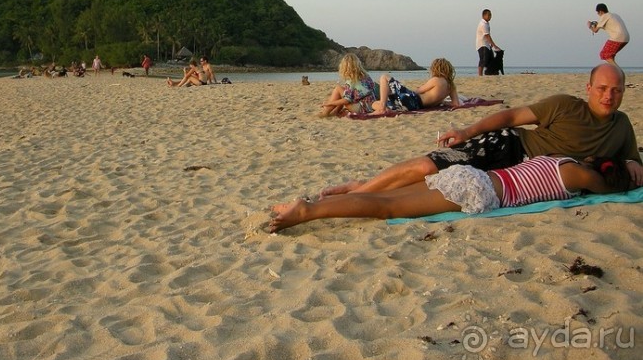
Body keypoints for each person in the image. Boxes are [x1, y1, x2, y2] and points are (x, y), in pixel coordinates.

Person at [317, 63, 642, 198]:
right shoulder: (565, 105)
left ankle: (364, 186)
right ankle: (360, 192)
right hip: (510, 147)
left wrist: (632, 163)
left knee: (433, 187)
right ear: (589, 88)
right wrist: (466, 132)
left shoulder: (622, 126)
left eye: (616, 91)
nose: (608, 96)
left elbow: (633, 162)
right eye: (601, 88)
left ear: (624, 92)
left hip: (531, 177)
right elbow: (510, 117)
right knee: (427, 166)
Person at [269, 155, 634, 232]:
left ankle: (314, 206)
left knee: (387, 202)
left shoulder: (563, 161)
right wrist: (630, 181)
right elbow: (610, 190)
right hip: (479, 189)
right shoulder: (577, 173)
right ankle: (307, 211)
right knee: (385, 206)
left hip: (471, 177)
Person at [371, 58, 461, 115]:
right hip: (416, 106)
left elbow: (418, 91)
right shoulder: (451, 86)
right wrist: (444, 102)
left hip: (413, 99)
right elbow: (455, 104)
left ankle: (383, 106)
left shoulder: (436, 80)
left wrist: (402, 90)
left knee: (384, 77)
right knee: (374, 104)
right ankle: (386, 108)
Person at [476, 9, 502, 76]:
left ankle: (490, 73)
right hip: (482, 44)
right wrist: (494, 45)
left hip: (487, 45)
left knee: (490, 59)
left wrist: (491, 45)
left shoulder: (486, 23)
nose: (490, 16)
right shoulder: (483, 24)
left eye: (490, 15)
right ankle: (480, 75)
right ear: (484, 15)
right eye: (489, 15)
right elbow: (487, 36)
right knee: (483, 60)